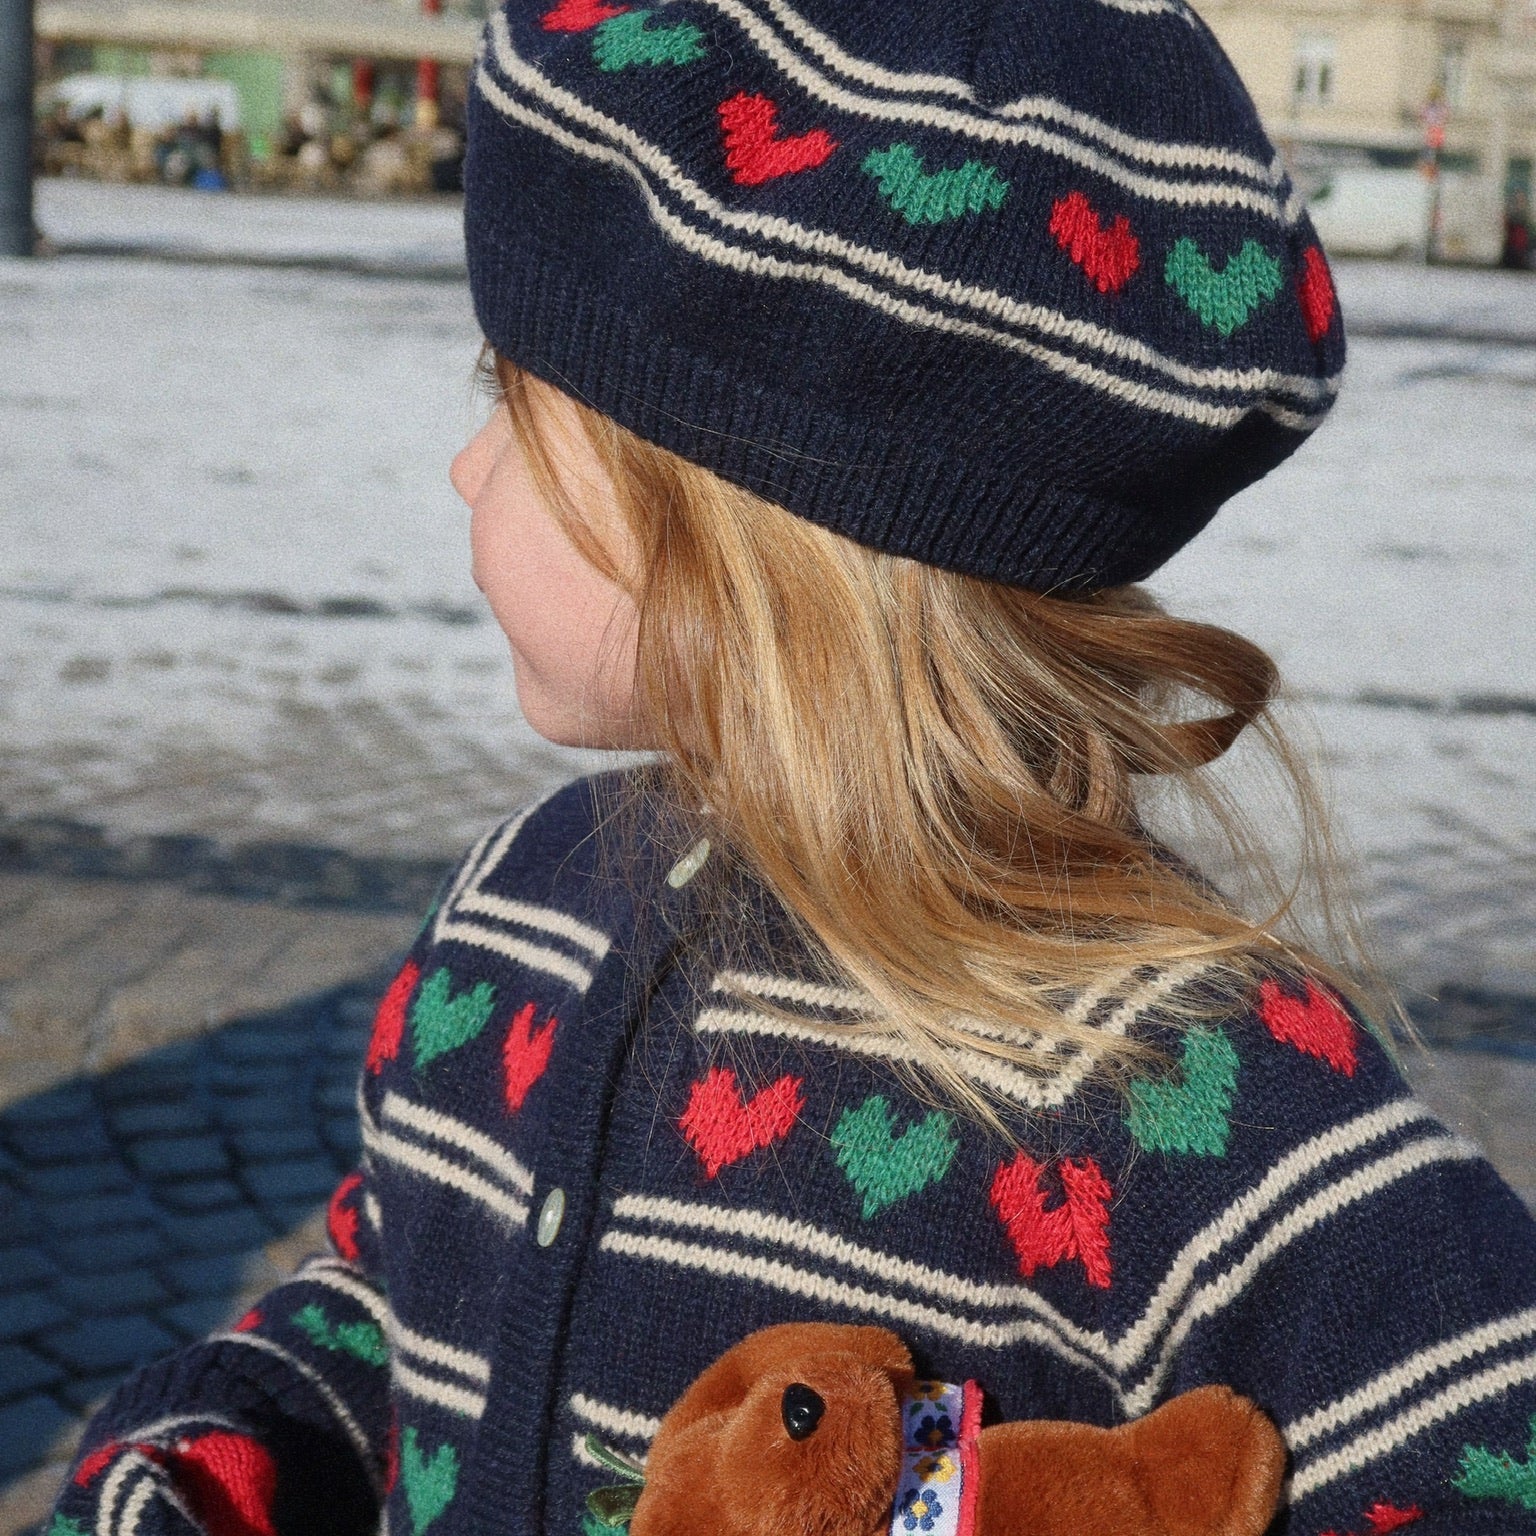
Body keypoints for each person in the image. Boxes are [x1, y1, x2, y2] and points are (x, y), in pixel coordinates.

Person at [51, 3, 1536, 1534]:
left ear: (743, 526)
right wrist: (220, 1460)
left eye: (511, 395)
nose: (463, 464)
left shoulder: (1180, 1081)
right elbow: (403, 1294)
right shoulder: (521, 911)